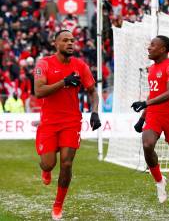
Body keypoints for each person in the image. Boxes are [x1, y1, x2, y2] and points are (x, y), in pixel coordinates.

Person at [34, 29, 101, 220]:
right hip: (48, 121)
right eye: (65, 40)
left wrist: (94, 112)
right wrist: (64, 82)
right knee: (48, 164)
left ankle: (57, 206)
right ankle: (45, 171)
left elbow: (92, 91)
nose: (70, 43)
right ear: (56, 44)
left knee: (66, 162)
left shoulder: (80, 66)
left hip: (71, 121)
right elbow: (39, 91)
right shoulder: (43, 63)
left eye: (72, 40)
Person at [131, 35, 169, 212]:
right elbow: (152, 95)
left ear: (163, 49)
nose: (149, 48)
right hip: (154, 114)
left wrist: (145, 104)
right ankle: (160, 181)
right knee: (147, 145)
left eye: (153, 45)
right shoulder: (151, 69)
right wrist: (142, 117)